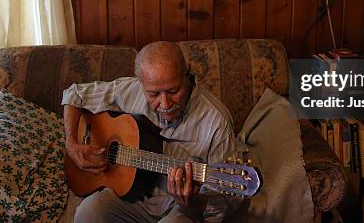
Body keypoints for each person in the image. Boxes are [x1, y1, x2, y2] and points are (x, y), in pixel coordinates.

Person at [63, 41, 237, 222]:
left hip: (181, 208)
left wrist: (195, 202)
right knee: (89, 213)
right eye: (154, 94)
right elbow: (74, 94)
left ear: (187, 74)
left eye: (173, 91)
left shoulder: (217, 122)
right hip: (134, 197)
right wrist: (72, 144)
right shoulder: (132, 90)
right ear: (141, 83)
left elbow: (229, 201)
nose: (166, 104)